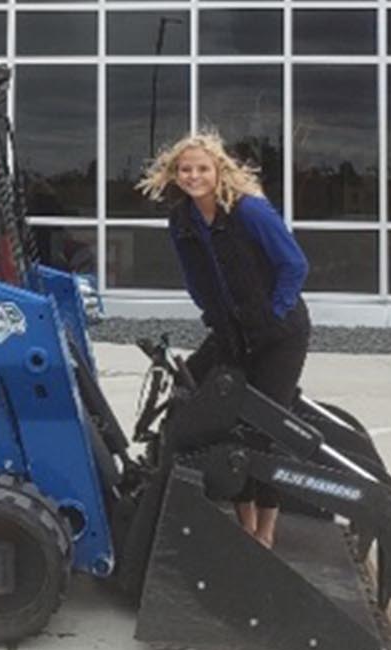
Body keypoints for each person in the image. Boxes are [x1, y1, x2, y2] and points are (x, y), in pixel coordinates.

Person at [135, 132, 310, 549]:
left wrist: (275, 311)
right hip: (232, 335)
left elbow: (294, 264)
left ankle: (266, 531)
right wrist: (211, 311)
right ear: (175, 175)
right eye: (186, 169)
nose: (194, 176)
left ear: (218, 171)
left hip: (279, 335)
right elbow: (194, 275)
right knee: (221, 418)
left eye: (202, 168)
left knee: (265, 427)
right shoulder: (183, 219)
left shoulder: (249, 211)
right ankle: (244, 525)